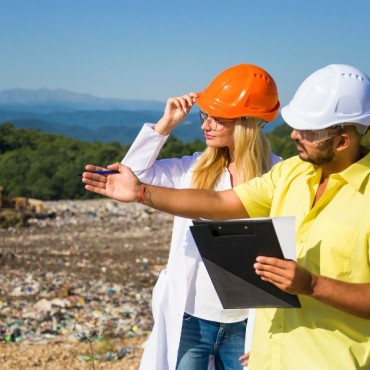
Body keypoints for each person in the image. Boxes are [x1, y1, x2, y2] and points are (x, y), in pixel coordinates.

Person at [82, 63, 370, 369]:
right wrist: (146, 180)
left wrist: (308, 287)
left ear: (342, 141)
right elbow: (214, 200)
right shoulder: (290, 174)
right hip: (204, 318)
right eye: (205, 116)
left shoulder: (279, 168)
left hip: (260, 328)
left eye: (308, 131)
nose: (294, 134)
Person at [117, 63, 281, 370]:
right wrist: (164, 125)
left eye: (218, 119)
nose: (206, 125)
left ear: (247, 123)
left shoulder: (280, 175)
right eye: (205, 115)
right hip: (190, 317)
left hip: (248, 323)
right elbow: (131, 176)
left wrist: (270, 339)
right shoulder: (192, 170)